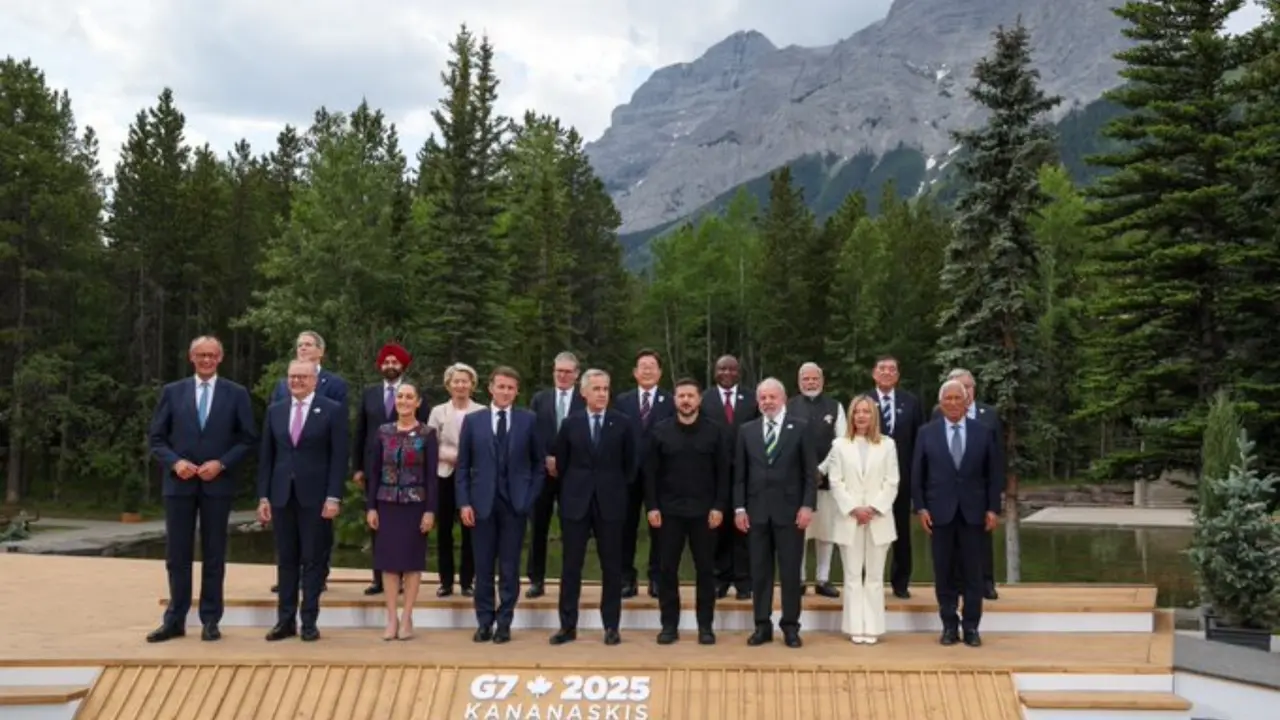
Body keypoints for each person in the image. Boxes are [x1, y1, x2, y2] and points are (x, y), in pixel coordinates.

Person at [146, 335, 257, 643]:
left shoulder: (236, 394)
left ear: (220, 358)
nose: (207, 360)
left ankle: (210, 619)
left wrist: (221, 464)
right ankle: (175, 619)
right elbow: (156, 438)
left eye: (212, 355)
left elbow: (248, 439)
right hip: (179, 484)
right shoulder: (172, 392)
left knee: (214, 554)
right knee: (177, 555)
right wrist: (174, 462)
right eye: (201, 355)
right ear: (191, 358)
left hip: (217, 485)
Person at [256, 359, 349, 642]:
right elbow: (267, 457)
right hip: (282, 496)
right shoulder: (275, 411)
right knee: (286, 561)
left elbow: (339, 457)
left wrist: (334, 496)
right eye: (292, 376)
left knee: (312, 560)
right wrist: (263, 496)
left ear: (314, 380)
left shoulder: (331, 410)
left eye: (302, 377)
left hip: (317, 497)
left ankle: (309, 621)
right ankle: (285, 621)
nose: (296, 381)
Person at [456, 366, 545, 644]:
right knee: (483, 568)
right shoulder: (473, 421)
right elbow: (462, 467)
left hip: (515, 505)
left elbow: (539, 464)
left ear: (516, 391)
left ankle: (504, 622)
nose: (505, 392)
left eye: (511, 387)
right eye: (501, 386)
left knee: (509, 568)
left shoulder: (528, 420)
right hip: (481, 504)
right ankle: (484, 622)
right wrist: (464, 503)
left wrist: (528, 499)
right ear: (490, 388)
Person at [912, 379, 1003, 648]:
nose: (953, 403)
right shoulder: (926, 433)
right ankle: (949, 625)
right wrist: (921, 508)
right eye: (948, 399)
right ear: (940, 403)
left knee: (973, 574)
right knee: (944, 573)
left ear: (966, 402)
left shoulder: (983, 432)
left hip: (974, 514)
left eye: (957, 398)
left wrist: (992, 508)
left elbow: (994, 474)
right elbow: (918, 475)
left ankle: (972, 627)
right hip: (939, 514)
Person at [551, 369, 637, 646]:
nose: (602, 394)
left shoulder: (622, 423)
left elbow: (631, 465)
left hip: (610, 504)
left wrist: (614, 488)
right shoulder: (570, 423)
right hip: (576, 503)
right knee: (571, 566)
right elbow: (562, 464)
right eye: (596, 389)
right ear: (584, 393)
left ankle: (611, 625)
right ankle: (567, 626)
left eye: (605, 389)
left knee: (612, 567)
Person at [644, 377, 730, 645]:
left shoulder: (715, 431)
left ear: (699, 400)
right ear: (675, 399)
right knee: (667, 570)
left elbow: (724, 473)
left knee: (705, 571)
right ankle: (669, 625)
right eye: (681, 395)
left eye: (691, 396)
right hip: (669, 513)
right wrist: (652, 506)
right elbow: (650, 474)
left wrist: (719, 506)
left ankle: (705, 626)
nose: (686, 400)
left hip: (705, 514)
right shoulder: (659, 431)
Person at [733, 377, 817, 649]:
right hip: (756, 513)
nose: (768, 402)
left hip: (791, 513)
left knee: (791, 572)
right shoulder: (747, 431)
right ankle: (762, 625)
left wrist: (807, 505)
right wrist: (739, 508)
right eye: (763, 398)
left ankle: (790, 627)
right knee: (760, 572)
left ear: (783, 400)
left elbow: (809, 473)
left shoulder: (801, 428)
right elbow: (740, 475)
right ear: (758, 402)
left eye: (772, 397)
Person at [268, 330, 348, 595]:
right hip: (286, 472)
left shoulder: (334, 384)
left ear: (320, 351)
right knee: (286, 537)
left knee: (318, 536)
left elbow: (337, 433)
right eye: (299, 344)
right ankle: (288, 579)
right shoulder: (283, 384)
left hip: (317, 469)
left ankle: (318, 575)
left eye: (308, 344)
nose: (302, 348)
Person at [816, 395, 899, 644]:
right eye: (857, 412)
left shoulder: (887, 444)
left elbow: (892, 481)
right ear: (851, 416)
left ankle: (872, 627)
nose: (861, 416)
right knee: (852, 576)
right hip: (849, 518)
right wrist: (854, 508)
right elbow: (835, 481)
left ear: (873, 415)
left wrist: (873, 508)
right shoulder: (840, 444)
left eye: (866, 411)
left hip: (878, 519)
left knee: (874, 576)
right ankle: (855, 627)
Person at [365, 382, 438, 640]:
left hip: (415, 504)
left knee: (411, 564)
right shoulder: (382, 432)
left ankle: (407, 618)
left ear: (418, 402)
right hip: (386, 503)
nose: (404, 400)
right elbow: (373, 472)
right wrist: (371, 506)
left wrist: (430, 511)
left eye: (410, 397)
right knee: (389, 564)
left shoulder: (427, 434)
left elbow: (432, 477)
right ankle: (391, 618)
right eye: (400, 396)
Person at [352, 341, 425, 596]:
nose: (390, 365)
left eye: (395, 362)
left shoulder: (412, 392)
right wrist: (357, 467)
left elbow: (422, 429)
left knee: (405, 526)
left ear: (402, 365)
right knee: (377, 523)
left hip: (407, 470)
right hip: (375, 468)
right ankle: (379, 578)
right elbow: (360, 431)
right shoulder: (369, 393)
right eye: (386, 362)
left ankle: (404, 576)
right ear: (380, 365)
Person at [935, 367, 1004, 600]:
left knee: (982, 541)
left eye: (967, 386)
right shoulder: (938, 413)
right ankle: (957, 584)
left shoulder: (989, 414)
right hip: (949, 493)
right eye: (958, 386)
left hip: (979, 491)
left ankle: (986, 581)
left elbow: (997, 458)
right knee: (951, 545)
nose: (963, 391)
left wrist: (994, 500)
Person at [614, 349, 674, 599]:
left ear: (660, 372)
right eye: (643, 366)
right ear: (635, 373)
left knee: (660, 530)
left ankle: (657, 578)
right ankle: (626, 578)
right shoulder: (622, 401)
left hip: (661, 475)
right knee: (626, 527)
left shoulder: (670, 401)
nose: (647, 370)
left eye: (652, 366)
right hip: (628, 475)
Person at [525, 351, 585, 598]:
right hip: (543, 472)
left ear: (577, 374)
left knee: (573, 528)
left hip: (573, 473)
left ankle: (570, 581)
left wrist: (565, 460)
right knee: (538, 526)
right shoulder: (540, 399)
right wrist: (545, 458)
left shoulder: (584, 400)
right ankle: (536, 580)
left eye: (568, 371)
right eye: (558, 370)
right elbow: (532, 433)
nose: (562, 375)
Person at [868, 354, 926, 599]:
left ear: (898, 375)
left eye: (892, 369)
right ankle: (869, 581)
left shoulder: (910, 402)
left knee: (901, 532)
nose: (887, 373)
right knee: (870, 533)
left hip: (902, 479)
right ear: (874, 373)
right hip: (870, 479)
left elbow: (920, 442)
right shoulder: (863, 401)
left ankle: (900, 582)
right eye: (882, 368)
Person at [701, 354, 758, 600]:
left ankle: (744, 581)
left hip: (746, 470)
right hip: (714, 471)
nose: (727, 373)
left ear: (739, 372)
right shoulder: (705, 398)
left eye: (732, 369)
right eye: (722, 368)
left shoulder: (751, 398)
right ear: (715, 372)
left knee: (744, 526)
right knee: (718, 526)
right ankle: (720, 578)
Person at [787, 361, 847, 598]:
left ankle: (823, 579)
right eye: (806, 379)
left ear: (822, 381)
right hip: (797, 480)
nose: (810, 383)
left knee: (826, 531)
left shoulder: (835, 407)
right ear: (799, 381)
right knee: (801, 531)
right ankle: (799, 578)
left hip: (827, 479)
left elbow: (841, 443)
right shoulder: (790, 406)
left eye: (814, 379)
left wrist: (821, 469)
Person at [426, 362, 483, 598]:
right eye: (456, 381)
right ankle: (446, 582)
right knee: (445, 531)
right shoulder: (438, 411)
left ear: (472, 384)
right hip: (445, 474)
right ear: (448, 385)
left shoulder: (482, 410)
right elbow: (429, 444)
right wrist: (451, 456)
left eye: (465, 381)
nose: (460, 385)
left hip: (472, 477)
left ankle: (468, 581)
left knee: (471, 530)